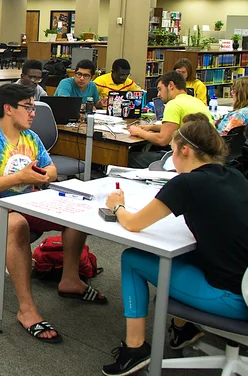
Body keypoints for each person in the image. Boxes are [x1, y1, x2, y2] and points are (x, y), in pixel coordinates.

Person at [101, 113, 248, 376]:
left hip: (234, 299)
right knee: (180, 254)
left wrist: (117, 205)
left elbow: (133, 224)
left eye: (172, 151)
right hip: (243, 283)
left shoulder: (187, 183)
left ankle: (134, 350)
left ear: (185, 150)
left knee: (133, 258)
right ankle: (183, 328)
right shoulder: (234, 176)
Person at [0, 83, 107, 344]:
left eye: (33, 107)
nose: (33, 113)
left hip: (27, 199)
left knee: (76, 210)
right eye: (28, 107)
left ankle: (70, 280)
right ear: (8, 108)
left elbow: (50, 170)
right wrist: (20, 177)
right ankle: (26, 309)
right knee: (16, 223)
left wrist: (39, 175)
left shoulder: (30, 137)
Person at [127, 71, 213, 168]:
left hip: (188, 159)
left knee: (130, 157)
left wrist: (139, 132)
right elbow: (177, 126)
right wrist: (151, 127)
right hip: (205, 157)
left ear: (171, 85)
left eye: (160, 89)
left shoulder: (174, 104)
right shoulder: (195, 101)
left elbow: (162, 140)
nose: (158, 94)